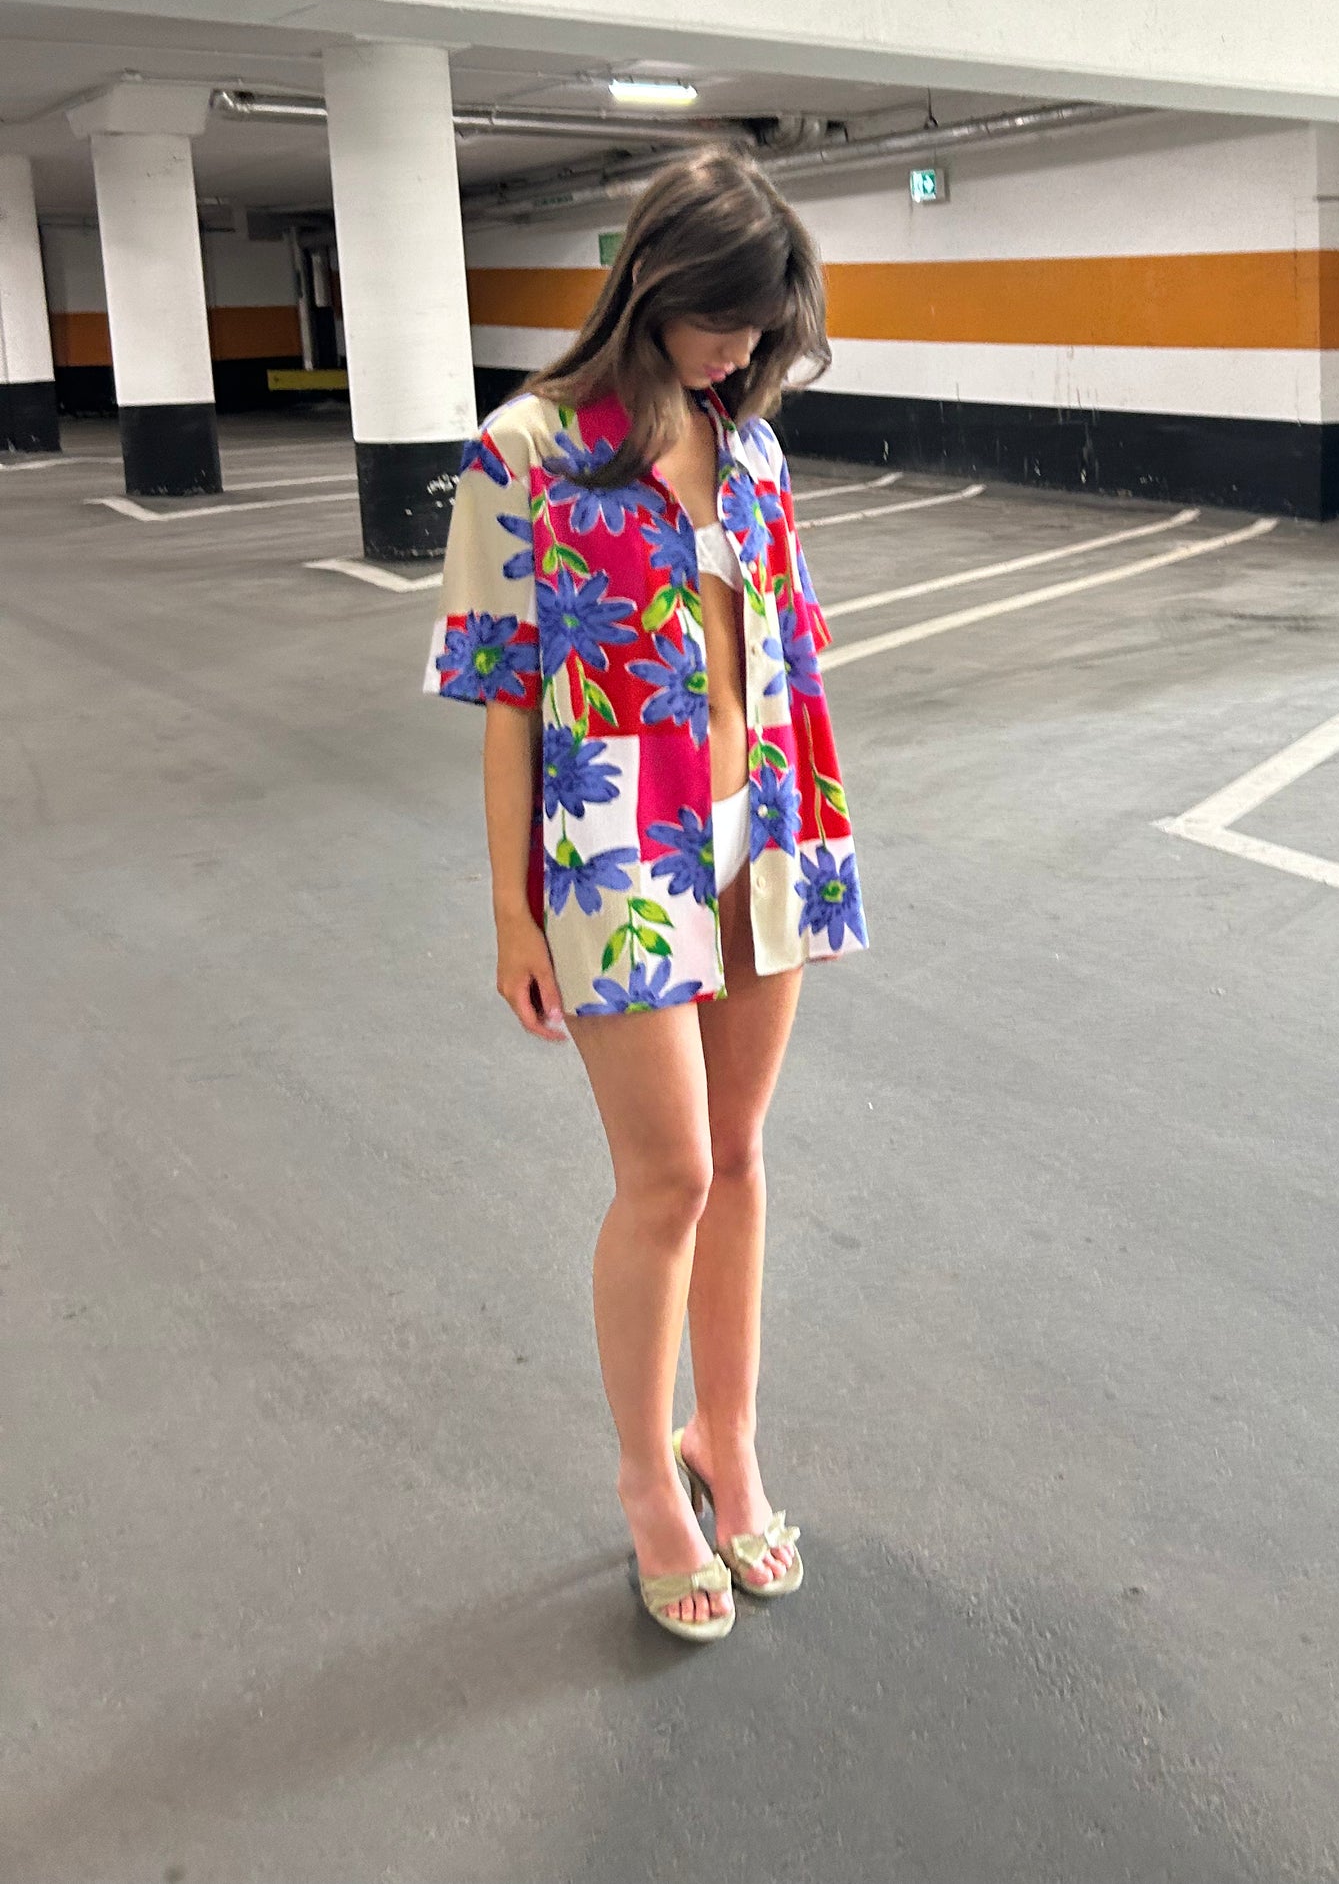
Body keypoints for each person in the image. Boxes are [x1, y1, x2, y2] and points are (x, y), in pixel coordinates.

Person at [426, 145, 867, 1643]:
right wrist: (511, 912)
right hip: (615, 850)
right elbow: (506, 696)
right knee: (666, 1176)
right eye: (723, 318)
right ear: (653, 283)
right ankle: (642, 1481)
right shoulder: (526, 452)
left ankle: (724, 1441)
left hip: (763, 833)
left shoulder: (755, 453)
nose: (741, 350)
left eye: (764, 328)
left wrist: (812, 834)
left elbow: (783, 656)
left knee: (738, 1158)